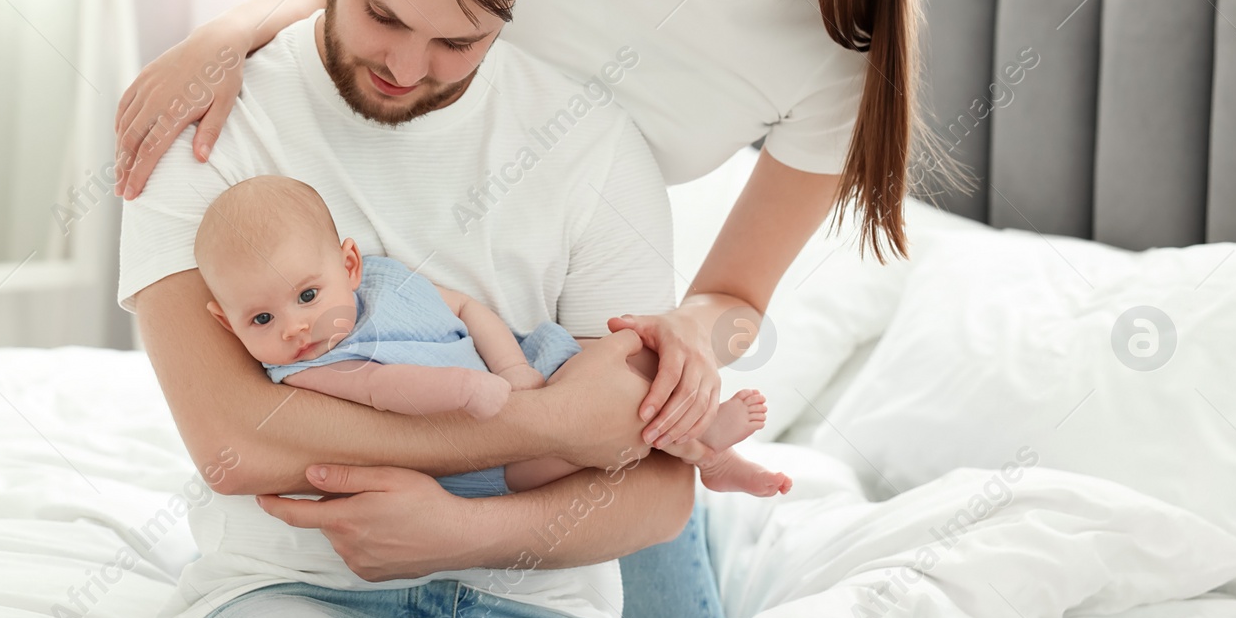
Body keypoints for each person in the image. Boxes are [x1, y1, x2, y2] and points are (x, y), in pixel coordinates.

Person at [116, 0, 924, 618]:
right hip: (505, 368)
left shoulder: (829, 60)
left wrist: (680, 356)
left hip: (581, 295)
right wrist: (230, 32)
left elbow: (731, 296)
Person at [123, 0, 704, 618]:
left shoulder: (594, 148)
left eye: (456, 41)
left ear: (510, 10)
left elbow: (656, 491)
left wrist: (463, 529)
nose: (404, 67)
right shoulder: (206, 120)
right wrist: (551, 423)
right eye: (382, 15)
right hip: (288, 599)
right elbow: (234, 442)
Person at [196, 174, 793, 499]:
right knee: (567, 453)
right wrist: (466, 392)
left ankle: (709, 454)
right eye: (261, 321)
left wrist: (511, 369)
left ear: (349, 265)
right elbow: (382, 388)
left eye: (306, 296)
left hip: (522, 372)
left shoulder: (381, 279)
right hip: (469, 458)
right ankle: (703, 447)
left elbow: (468, 308)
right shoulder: (302, 368)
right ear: (227, 322)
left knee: (628, 356)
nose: (295, 328)